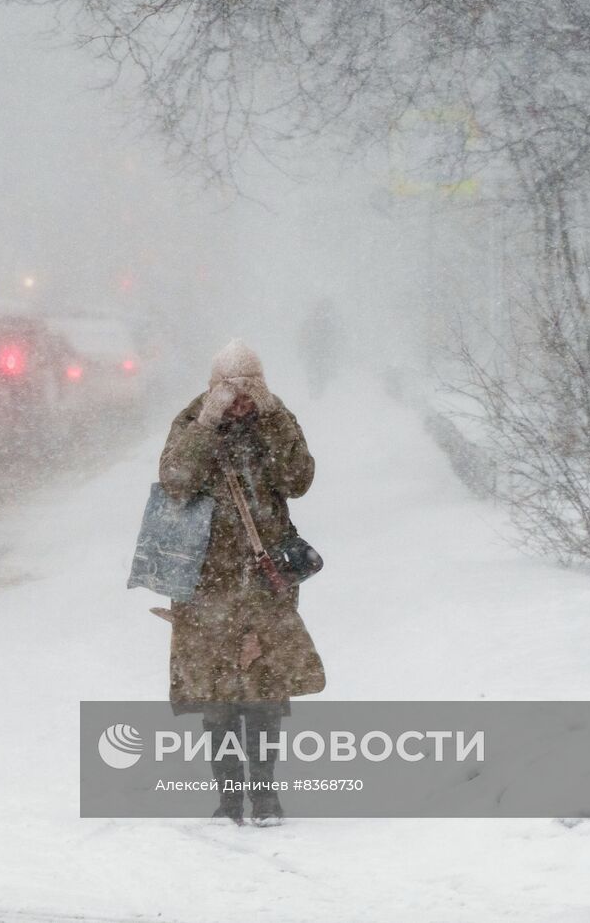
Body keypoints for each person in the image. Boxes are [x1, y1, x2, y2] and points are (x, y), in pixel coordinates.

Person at [157, 339, 325, 826]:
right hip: (206, 583)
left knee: (266, 693)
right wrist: (208, 424)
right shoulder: (193, 423)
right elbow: (175, 480)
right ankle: (229, 800)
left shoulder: (273, 420)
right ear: (214, 392)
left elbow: (299, 479)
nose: (241, 404)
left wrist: (271, 417)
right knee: (219, 698)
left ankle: (266, 796)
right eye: (232, 394)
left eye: (250, 393)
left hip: (265, 580)